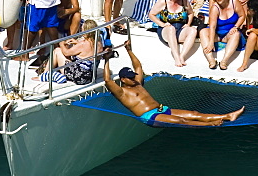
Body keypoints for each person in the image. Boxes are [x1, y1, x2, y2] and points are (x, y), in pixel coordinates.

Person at [104, 42, 243, 126]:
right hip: (149, 117)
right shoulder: (121, 92)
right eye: (129, 78)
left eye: (133, 76)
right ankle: (211, 124)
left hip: (161, 109)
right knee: (180, 121)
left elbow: (138, 67)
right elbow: (108, 81)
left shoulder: (137, 83)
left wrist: (129, 50)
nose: (133, 78)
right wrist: (106, 59)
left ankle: (227, 116)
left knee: (193, 113)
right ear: (122, 80)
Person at [149, 0, 198, 67]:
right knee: (171, 29)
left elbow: (190, 13)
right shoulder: (163, 1)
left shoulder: (184, 0)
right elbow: (151, 15)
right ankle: (176, 58)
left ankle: (182, 56)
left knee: (193, 30)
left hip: (180, 28)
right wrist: (162, 24)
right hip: (166, 30)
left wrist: (188, 24)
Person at [203, 0, 245, 70]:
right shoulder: (215, 7)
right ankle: (211, 60)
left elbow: (242, 16)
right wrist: (211, 41)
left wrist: (236, 26)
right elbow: (212, 26)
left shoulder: (234, 1)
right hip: (218, 34)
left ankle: (224, 61)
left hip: (229, 33)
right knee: (203, 31)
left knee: (236, 34)